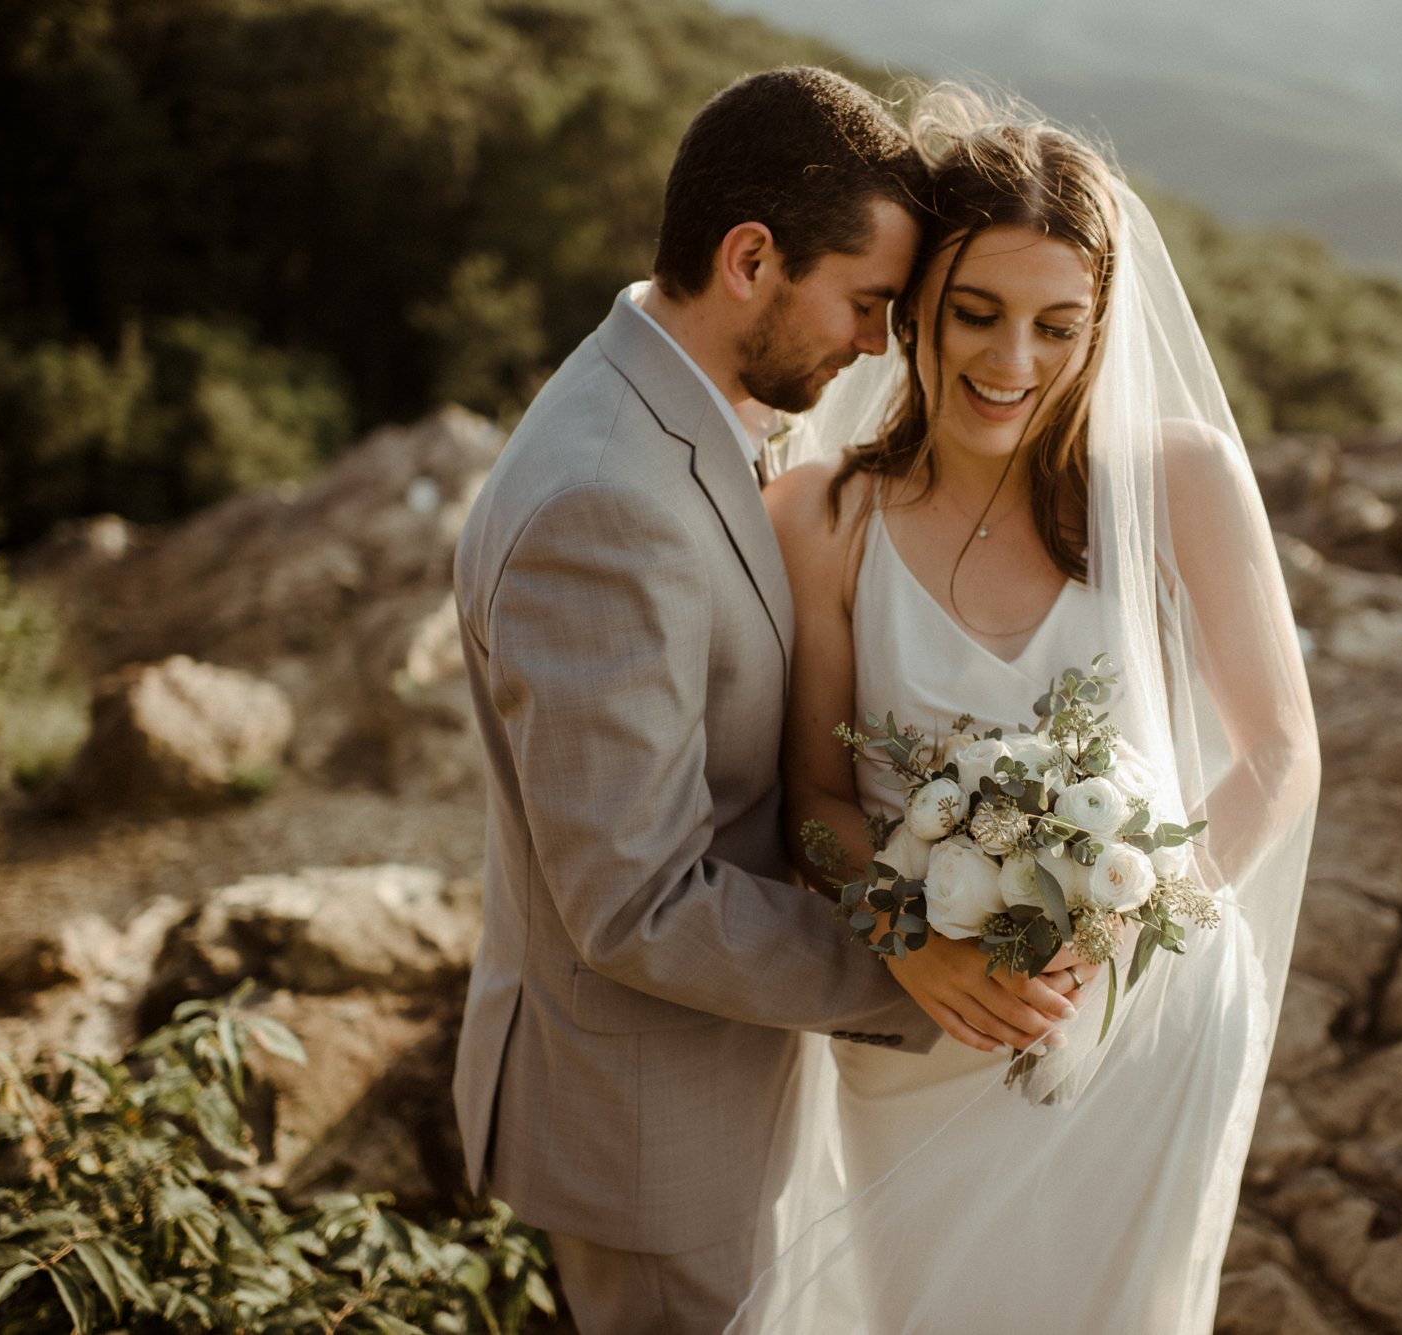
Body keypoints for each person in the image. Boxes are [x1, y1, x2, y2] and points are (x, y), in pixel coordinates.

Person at [448, 68, 1087, 1335]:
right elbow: (630, 902)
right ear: (750, 258)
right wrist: (918, 959)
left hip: (722, 1073)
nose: (872, 345)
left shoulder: (688, 403)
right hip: (647, 1128)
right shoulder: (604, 504)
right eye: (862, 304)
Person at [736, 90, 1322, 1331]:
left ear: (1102, 326)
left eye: (1058, 326)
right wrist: (908, 939)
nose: (1012, 364)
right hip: (925, 1015)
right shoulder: (823, 518)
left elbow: (1278, 753)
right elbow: (817, 803)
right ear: (915, 309)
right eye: (976, 314)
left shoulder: (1178, 484)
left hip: (1142, 1020)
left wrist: (1129, 931)